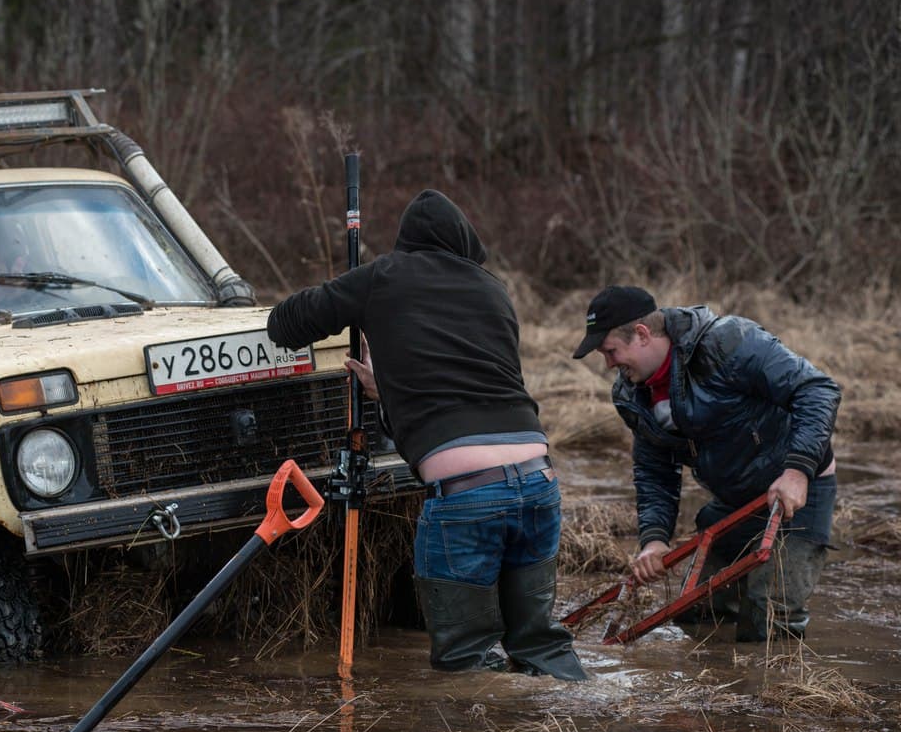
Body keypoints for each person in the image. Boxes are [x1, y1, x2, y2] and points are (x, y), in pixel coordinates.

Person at [267, 189, 586, 681]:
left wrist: (353, 292)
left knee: (466, 663)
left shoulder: (384, 276)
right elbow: (464, 382)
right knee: (540, 646)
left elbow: (284, 325)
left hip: (467, 496)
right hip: (539, 483)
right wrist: (386, 389)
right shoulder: (493, 288)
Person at [572, 286, 840, 641]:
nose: (608, 365)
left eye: (610, 351)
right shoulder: (629, 394)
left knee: (771, 616)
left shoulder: (727, 342)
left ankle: (770, 690)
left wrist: (797, 470)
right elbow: (654, 471)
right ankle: (716, 689)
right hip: (734, 501)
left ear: (641, 334)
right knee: (696, 613)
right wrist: (654, 540)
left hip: (797, 494)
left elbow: (817, 389)